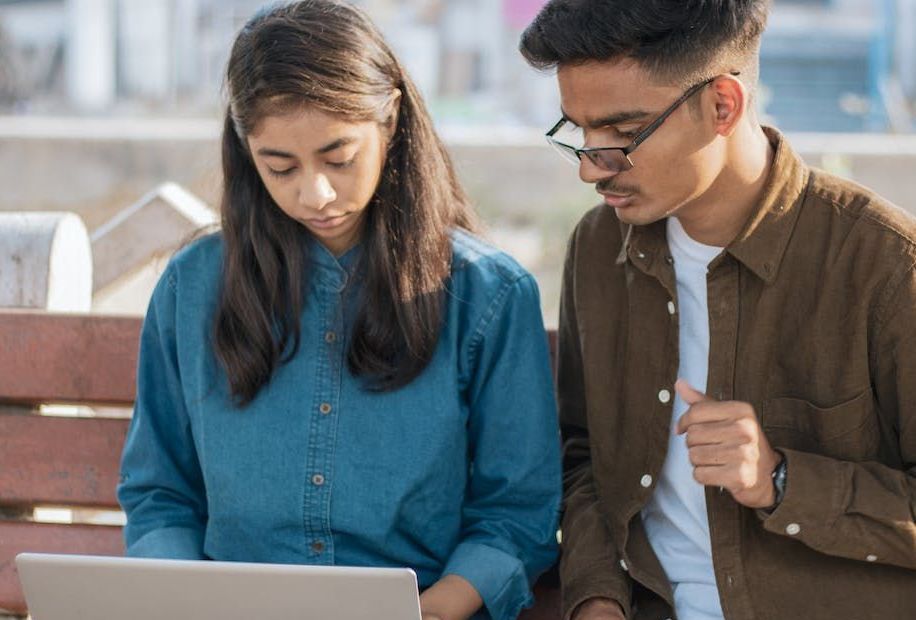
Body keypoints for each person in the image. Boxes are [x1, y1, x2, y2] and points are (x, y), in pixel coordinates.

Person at [118, 3, 561, 620]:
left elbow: (516, 513)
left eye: (338, 158)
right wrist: (184, 600)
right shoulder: (191, 288)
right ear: (247, 153)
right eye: (280, 167)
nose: (314, 194)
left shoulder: (489, 294)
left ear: (392, 119)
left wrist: (434, 610)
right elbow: (160, 494)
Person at [518, 1, 916, 619]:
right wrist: (596, 596)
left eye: (624, 133)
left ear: (723, 105)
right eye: (579, 131)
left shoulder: (885, 265)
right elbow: (584, 457)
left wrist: (779, 480)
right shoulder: (598, 248)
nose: (593, 168)